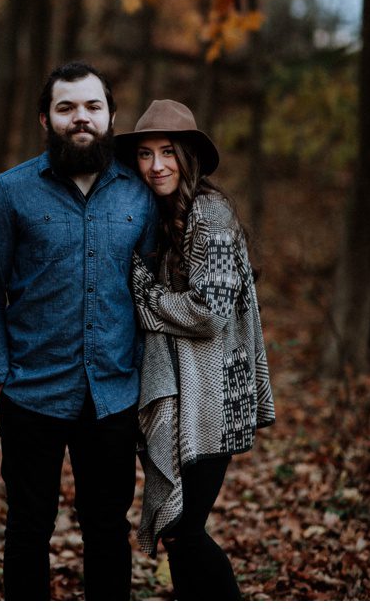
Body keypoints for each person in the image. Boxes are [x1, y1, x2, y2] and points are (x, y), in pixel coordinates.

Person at [0, 61, 156, 600]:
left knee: (108, 529)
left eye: (92, 107)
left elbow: (153, 292)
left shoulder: (139, 196)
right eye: (66, 108)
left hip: (113, 394)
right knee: (28, 527)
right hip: (30, 393)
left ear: (112, 117)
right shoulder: (10, 191)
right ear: (46, 120)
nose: (80, 118)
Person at [117, 99, 275, 600]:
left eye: (167, 152)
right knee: (178, 535)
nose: (156, 165)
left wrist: (145, 293)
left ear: (188, 157)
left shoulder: (210, 212)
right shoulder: (160, 217)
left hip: (212, 402)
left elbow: (211, 311)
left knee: (185, 530)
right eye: (144, 154)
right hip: (187, 398)